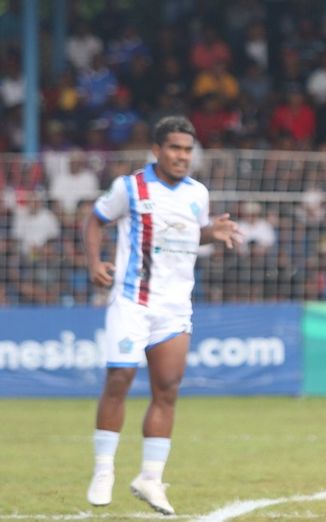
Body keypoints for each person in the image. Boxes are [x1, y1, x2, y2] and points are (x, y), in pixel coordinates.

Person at [83, 117, 241, 514]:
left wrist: (211, 233)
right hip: (132, 301)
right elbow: (95, 220)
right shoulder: (129, 188)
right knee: (119, 378)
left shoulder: (197, 194)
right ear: (157, 150)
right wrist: (93, 262)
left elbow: (186, 232)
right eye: (174, 148)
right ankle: (104, 468)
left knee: (167, 389)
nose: (182, 156)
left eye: (188, 150)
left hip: (175, 307)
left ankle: (150, 479)